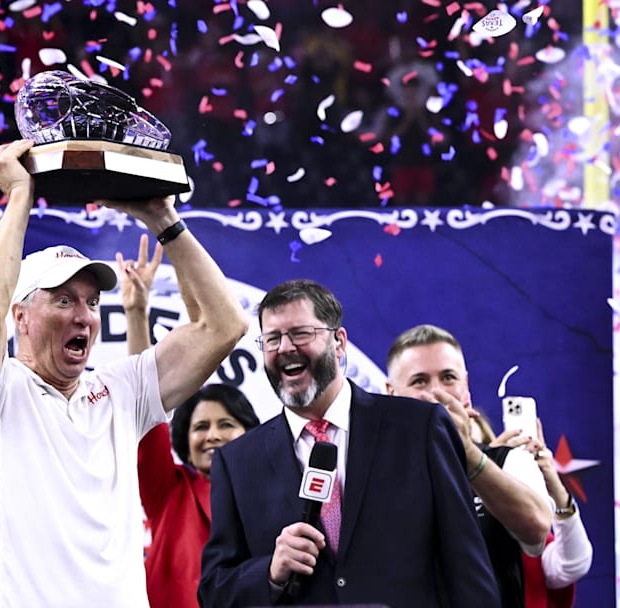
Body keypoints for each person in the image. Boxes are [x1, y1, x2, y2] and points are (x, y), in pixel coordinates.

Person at [0, 139, 248, 607]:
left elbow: (224, 325)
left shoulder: (119, 391)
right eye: (63, 300)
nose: (84, 317)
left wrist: (162, 219)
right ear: (21, 316)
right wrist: (20, 194)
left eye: (91, 302)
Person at [199, 279, 499, 607]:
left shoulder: (420, 427)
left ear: (339, 342)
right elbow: (215, 590)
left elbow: (467, 567)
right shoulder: (238, 461)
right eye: (272, 339)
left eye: (300, 333)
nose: (285, 347)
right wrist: (270, 572)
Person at [118, 235, 261, 608]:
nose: (213, 436)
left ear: (250, 432)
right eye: (200, 427)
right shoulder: (168, 490)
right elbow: (143, 402)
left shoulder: (271, 492)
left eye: (226, 424)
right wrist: (137, 314)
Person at [385, 324, 553, 608]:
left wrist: (468, 455)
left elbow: (536, 532)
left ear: (466, 389)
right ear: (391, 394)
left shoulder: (509, 460)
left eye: (448, 378)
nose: (436, 393)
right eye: (419, 381)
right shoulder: (369, 469)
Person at [478, 412, 594, 607]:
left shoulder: (525, 529)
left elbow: (573, 565)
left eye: (479, 448)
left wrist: (554, 485)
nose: (473, 456)